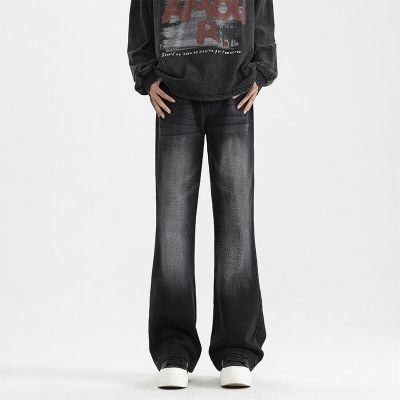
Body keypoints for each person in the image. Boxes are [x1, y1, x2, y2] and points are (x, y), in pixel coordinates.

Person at [128, 0, 277, 389]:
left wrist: (260, 72)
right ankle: (173, 349)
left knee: (236, 223)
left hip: (234, 96)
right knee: (173, 226)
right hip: (174, 99)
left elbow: (262, 19)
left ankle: (237, 349)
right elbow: (141, 23)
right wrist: (147, 76)